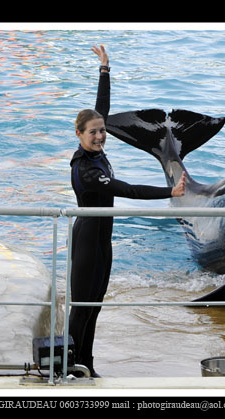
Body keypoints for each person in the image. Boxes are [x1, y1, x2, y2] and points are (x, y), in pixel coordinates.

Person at [69, 45, 186, 377]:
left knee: (96, 304)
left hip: (102, 240)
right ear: (79, 135)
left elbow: (100, 109)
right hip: (88, 239)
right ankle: (71, 365)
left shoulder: (96, 151)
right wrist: (170, 191)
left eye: (101, 131)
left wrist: (105, 70)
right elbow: (128, 190)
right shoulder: (88, 170)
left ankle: (87, 365)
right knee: (82, 307)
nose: (100, 135)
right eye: (93, 132)